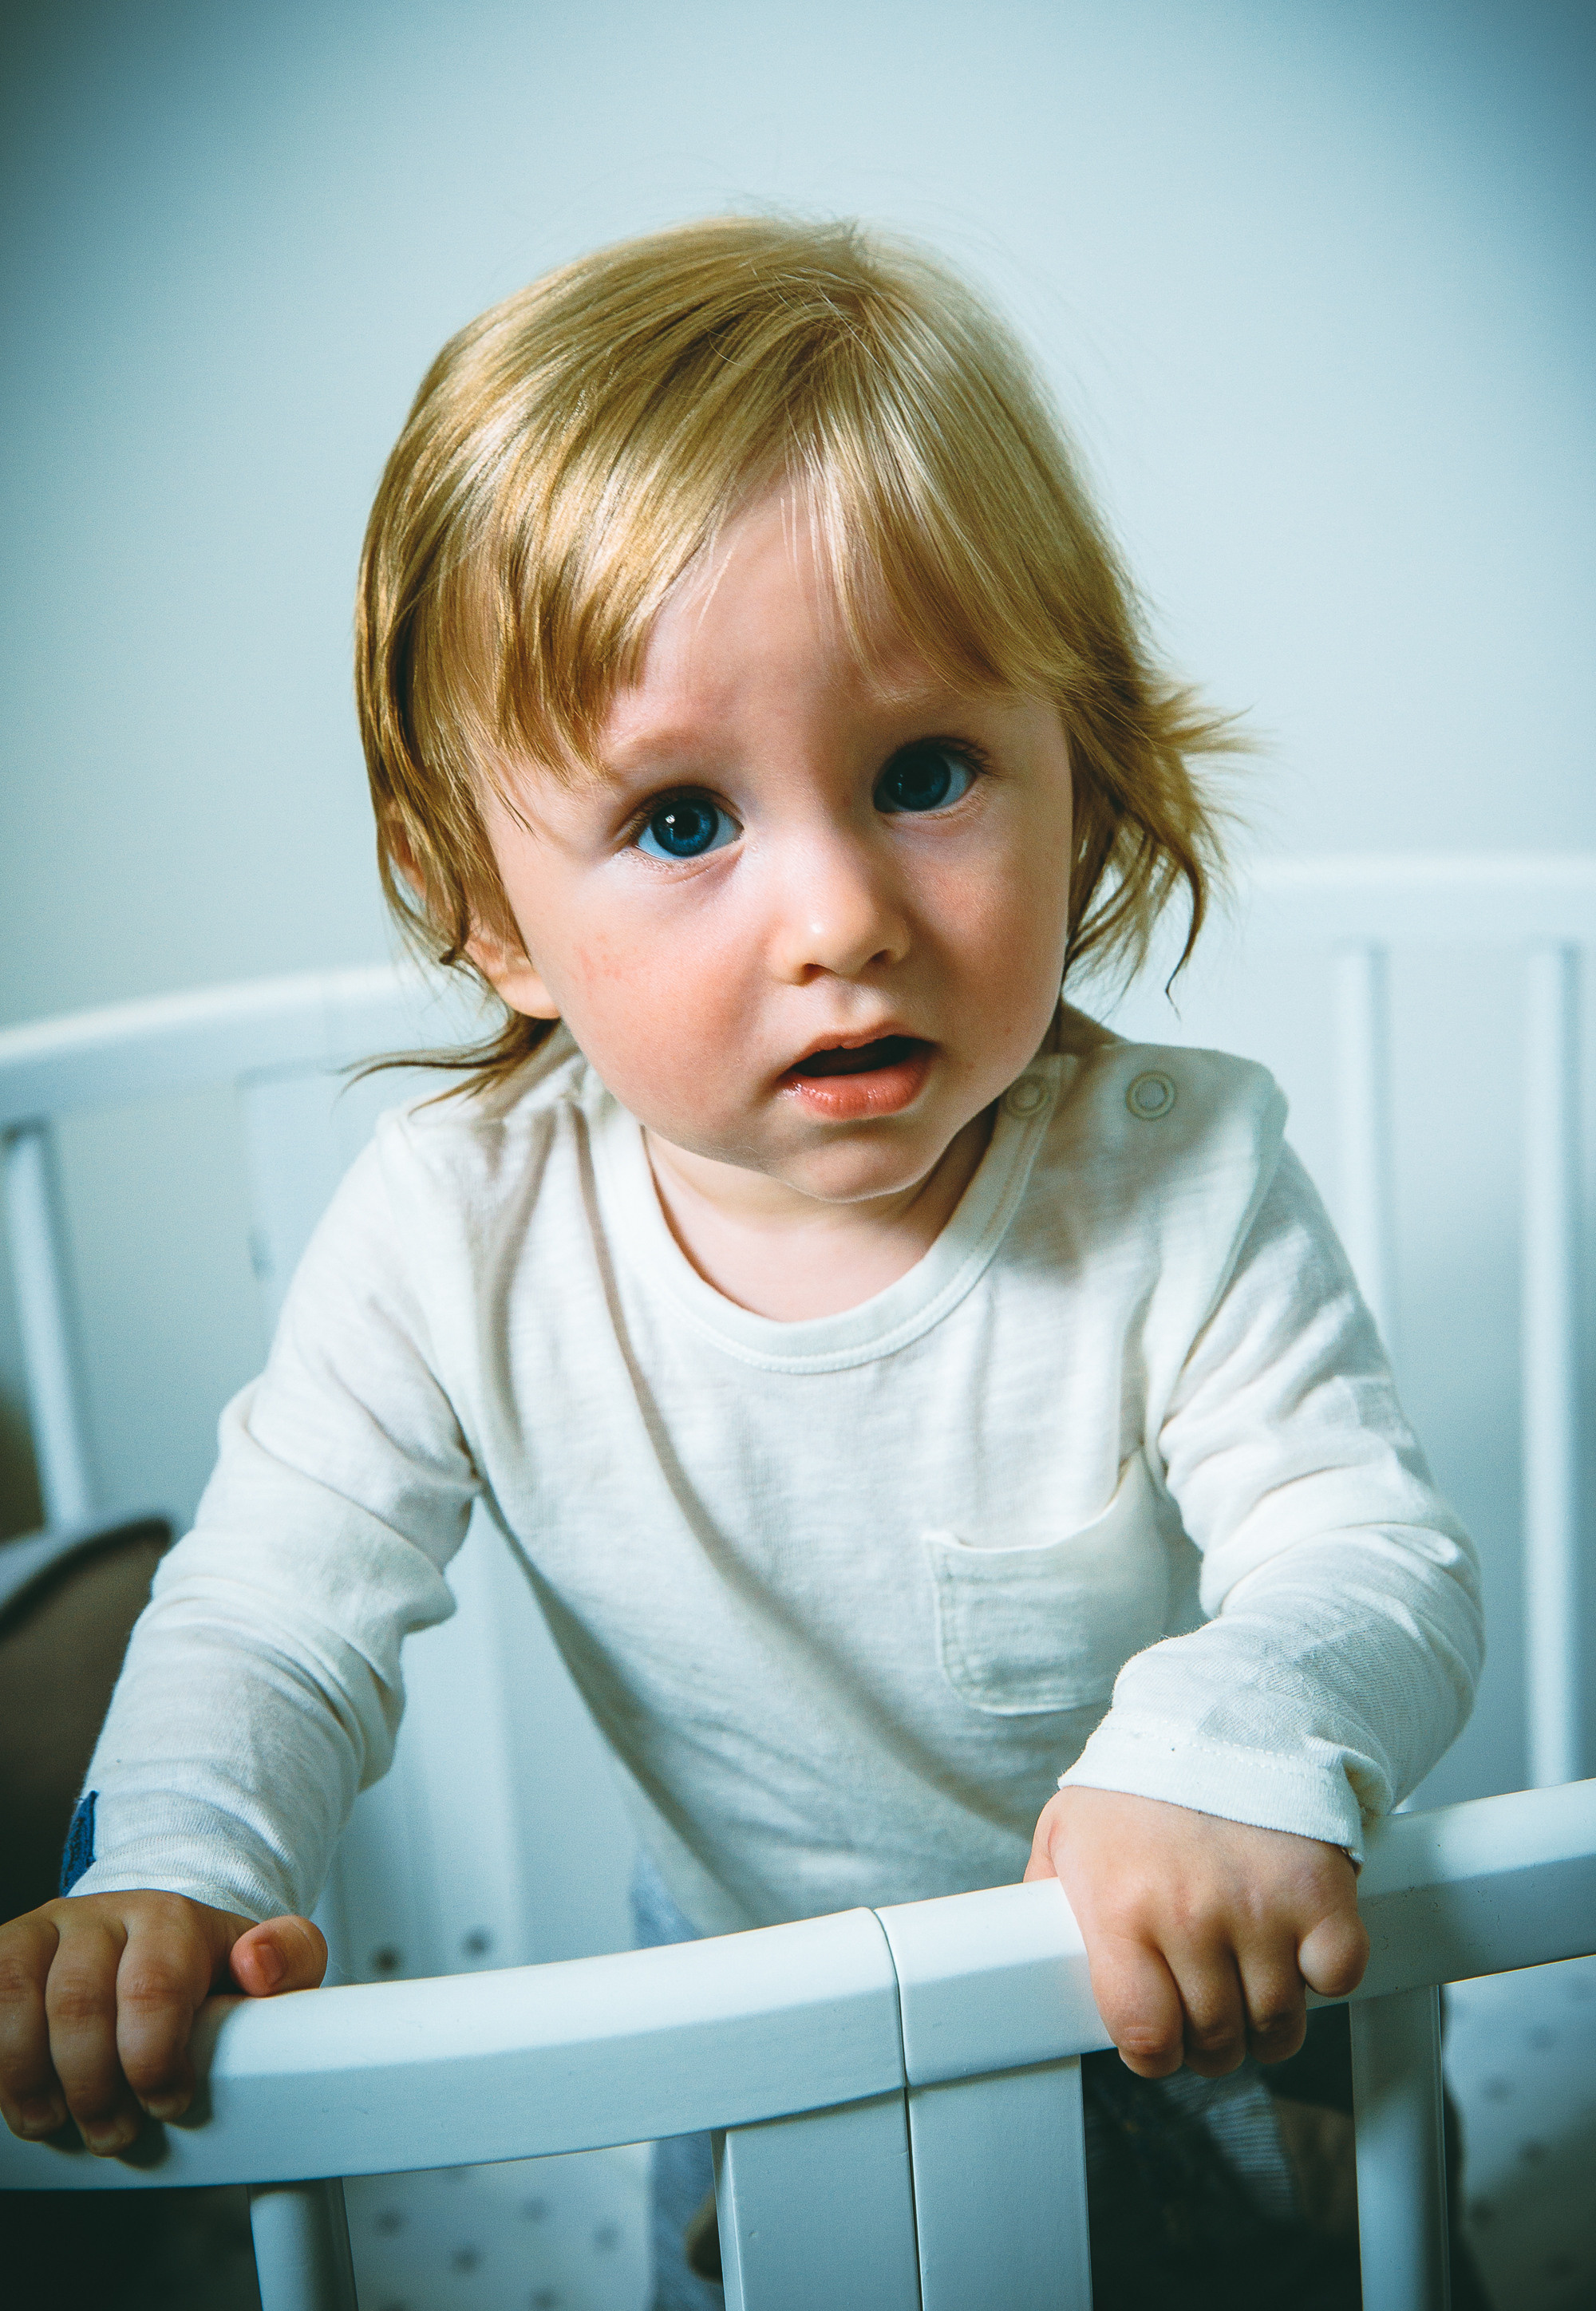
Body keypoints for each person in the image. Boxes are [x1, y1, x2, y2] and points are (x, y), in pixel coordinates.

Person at [0, 218, 1483, 2306]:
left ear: (1091, 769)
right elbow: (270, 1610)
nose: (841, 914)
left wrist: (1226, 1744)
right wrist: (173, 1872)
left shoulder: (1181, 1181)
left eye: (926, 773)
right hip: (747, 2016)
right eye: (686, 820)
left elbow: (1368, 1548)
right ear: (487, 908)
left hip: (1181, 1980)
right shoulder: (459, 1235)